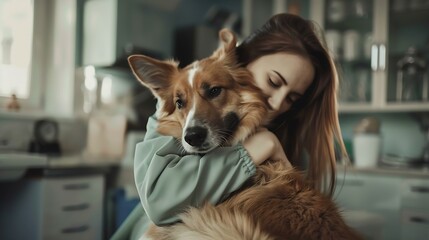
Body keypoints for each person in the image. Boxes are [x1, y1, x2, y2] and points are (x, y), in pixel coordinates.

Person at [111, 13, 347, 239]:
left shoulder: (287, 129)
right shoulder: (175, 109)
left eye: (292, 98)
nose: (276, 103)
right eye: (273, 81)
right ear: (244, 61)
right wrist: (257, 148)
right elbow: (160, 201)